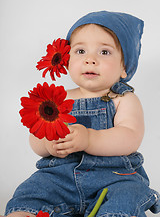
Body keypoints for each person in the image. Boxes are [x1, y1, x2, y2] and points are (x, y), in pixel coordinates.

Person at [4, 11, 160, 217]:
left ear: (124, 67)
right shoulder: (58, 99)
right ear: (67, 60)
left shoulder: (123, 99)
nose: (90, 59)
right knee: (32, 191)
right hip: (60, 178)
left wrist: (89, 139)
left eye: (104, 52)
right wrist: (48, 144)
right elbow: (36, 135)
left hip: (114, 177)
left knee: (127, 195)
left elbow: (130, 137)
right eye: (80, 51)